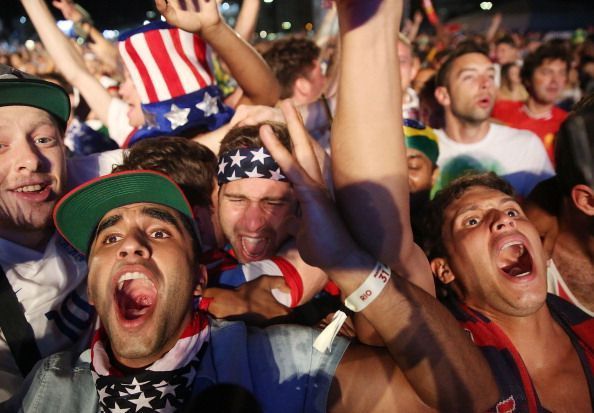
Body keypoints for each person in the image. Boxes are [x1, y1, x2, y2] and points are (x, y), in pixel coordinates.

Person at [0, 64, 120, 400]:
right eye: (0, 146)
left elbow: (195, 153)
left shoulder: (81, 179)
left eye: (43, 139)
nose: (31, 160)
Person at [432, 43, 554, 197]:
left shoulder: (525, 145)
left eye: (490, 75)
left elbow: (549, 214)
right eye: (469, 77)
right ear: (444, 95)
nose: (486, 84)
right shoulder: (424, 150)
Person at [492, 42, 571, 161]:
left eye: (562, 73)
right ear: (528, 78)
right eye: (546, 72)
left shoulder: (568, 125)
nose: (555, 80)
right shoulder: (499, 111)